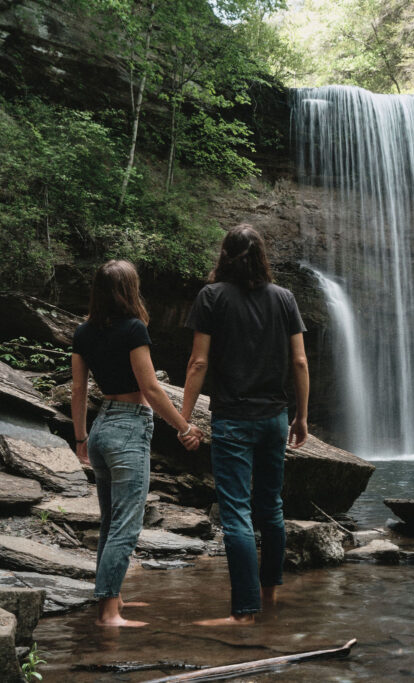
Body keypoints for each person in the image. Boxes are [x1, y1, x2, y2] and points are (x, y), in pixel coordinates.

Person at [182, 224, 309, 626]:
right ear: (262, 256)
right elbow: (301, 362)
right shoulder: (285, 299)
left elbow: (199, 362)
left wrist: (183, 418)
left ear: (224, 255)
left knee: (236, 513)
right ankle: (269, 593)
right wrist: (302, 416)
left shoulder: (211, 297)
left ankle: (244, 613)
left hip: (233, 419)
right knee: (270, 507)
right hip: (274, 418)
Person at [71, 259, 204, 628]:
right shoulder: (133, 329)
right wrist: (182, 427)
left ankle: (111, 597)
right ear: (130, 290)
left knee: (110, 521)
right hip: (129, 427)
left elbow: (79, 389)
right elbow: (150, 388)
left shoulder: (83, 332)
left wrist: (81, 437)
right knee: (125, 527)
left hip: (100, 428)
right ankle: (109, 613)